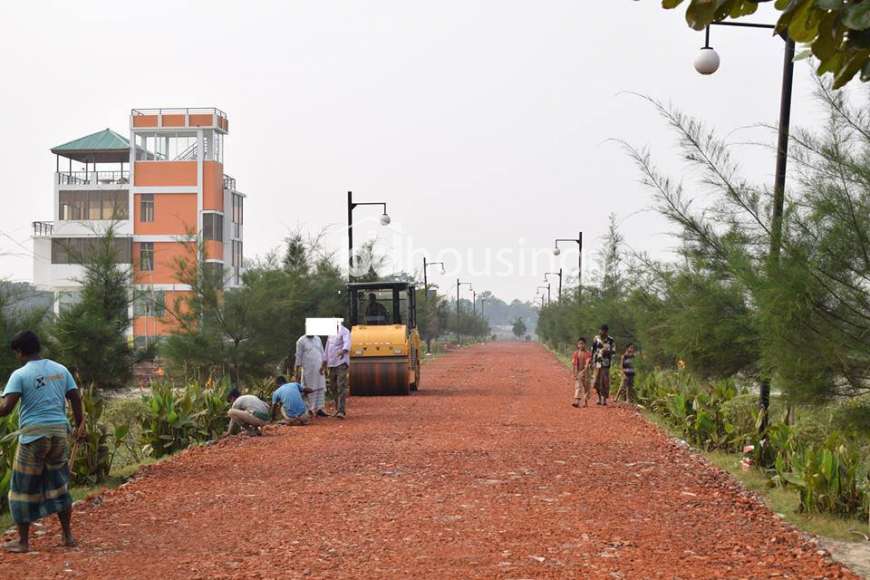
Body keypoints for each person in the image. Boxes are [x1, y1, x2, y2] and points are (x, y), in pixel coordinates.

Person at [0, 331, 85, 553]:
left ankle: (23, 542)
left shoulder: (20, 374)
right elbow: (75, 397)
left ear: (19, 352)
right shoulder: (60, 369)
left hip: (33, 437)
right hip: (59, 434)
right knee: (59, 484)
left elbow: (6, 408)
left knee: (21, 488)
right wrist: (80, 426)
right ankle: (67, 536)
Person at [294, 333, 327, 417]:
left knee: (320, 387)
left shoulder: (318, 338)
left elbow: (322, 353)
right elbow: (298, 357)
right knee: (309, 389)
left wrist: (323, 366)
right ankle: (310, 410)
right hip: (308, 370)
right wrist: (296, 372)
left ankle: (319, 409)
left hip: (319, 369)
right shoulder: (301, 341)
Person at [325, 320, 351, 419]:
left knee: (341, 386)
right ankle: (337, 408)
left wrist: (343, 351)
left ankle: (341, 411)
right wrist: (324, 361)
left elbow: (347, 342)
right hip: (331, 363)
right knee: (333, 387)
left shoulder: (345, 331)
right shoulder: (330, 333)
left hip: (341, 362)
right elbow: (327, 347)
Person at [591, 324, 616, 406]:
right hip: (597, 363)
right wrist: (592, 361)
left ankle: (604, 399)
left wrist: (607, 352)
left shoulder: (611, 340)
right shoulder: (596, 339)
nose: (601, 332)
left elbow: (614, 351)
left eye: (603, 331)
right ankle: (599, 398)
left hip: (606, 364)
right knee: (597, 381)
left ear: (606, 332)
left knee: (605, 382)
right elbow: (593, 350)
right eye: (600, 330)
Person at [571, 337, 592, 408]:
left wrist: (583, 371)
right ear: (577, 345)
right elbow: (574, 364)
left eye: (582, 344)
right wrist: (574, 373)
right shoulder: (575, 353)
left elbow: (587, 364)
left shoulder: (588, 353)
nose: (581, 345)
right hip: (578, 372)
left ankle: (585, 402)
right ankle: (577, 402)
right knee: (578, 386)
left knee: (587, 387)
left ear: (585, 344)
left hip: (586, 373)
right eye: (580, 344)